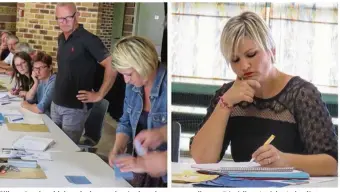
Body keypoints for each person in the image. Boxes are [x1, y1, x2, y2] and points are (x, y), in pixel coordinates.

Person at [190, 11, 338, 176]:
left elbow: (332, 164)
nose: (244, 66)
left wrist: (285, 161)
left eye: (251, 54)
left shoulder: (302, 94)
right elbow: (202, 159)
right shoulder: (228, 95)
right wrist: (225, 104)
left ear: (272, 51)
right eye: (235, 60)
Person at [51, 3, 116, 144]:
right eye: (60, 19)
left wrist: (99, 94)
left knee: (66, 149)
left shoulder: (89, 39)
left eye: (68, 18)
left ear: (77, 16)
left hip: (75, 107)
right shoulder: (61, 38)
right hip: (56, 102)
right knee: (53, 145)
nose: (64, 22)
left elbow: (112, 65)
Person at [108, 36, 167, 187]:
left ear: (143, 65)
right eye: (122, 75)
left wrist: (162, 133)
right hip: (139, 168)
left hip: (165, 175)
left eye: (128, 74)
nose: (126, 80)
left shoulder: (169, 86)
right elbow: (126, 121)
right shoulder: (132, 86)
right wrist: (118, 147)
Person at [21, 52, 56, 117]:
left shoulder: (53, 83)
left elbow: (40, 109)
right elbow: (29, 99)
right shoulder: (41, 80)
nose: (37, 71)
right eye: (35, 68)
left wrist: (26, 105)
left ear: (50, 67)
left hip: (50, 121)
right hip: (41, 117)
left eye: (41, 68)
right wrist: (36, 83)